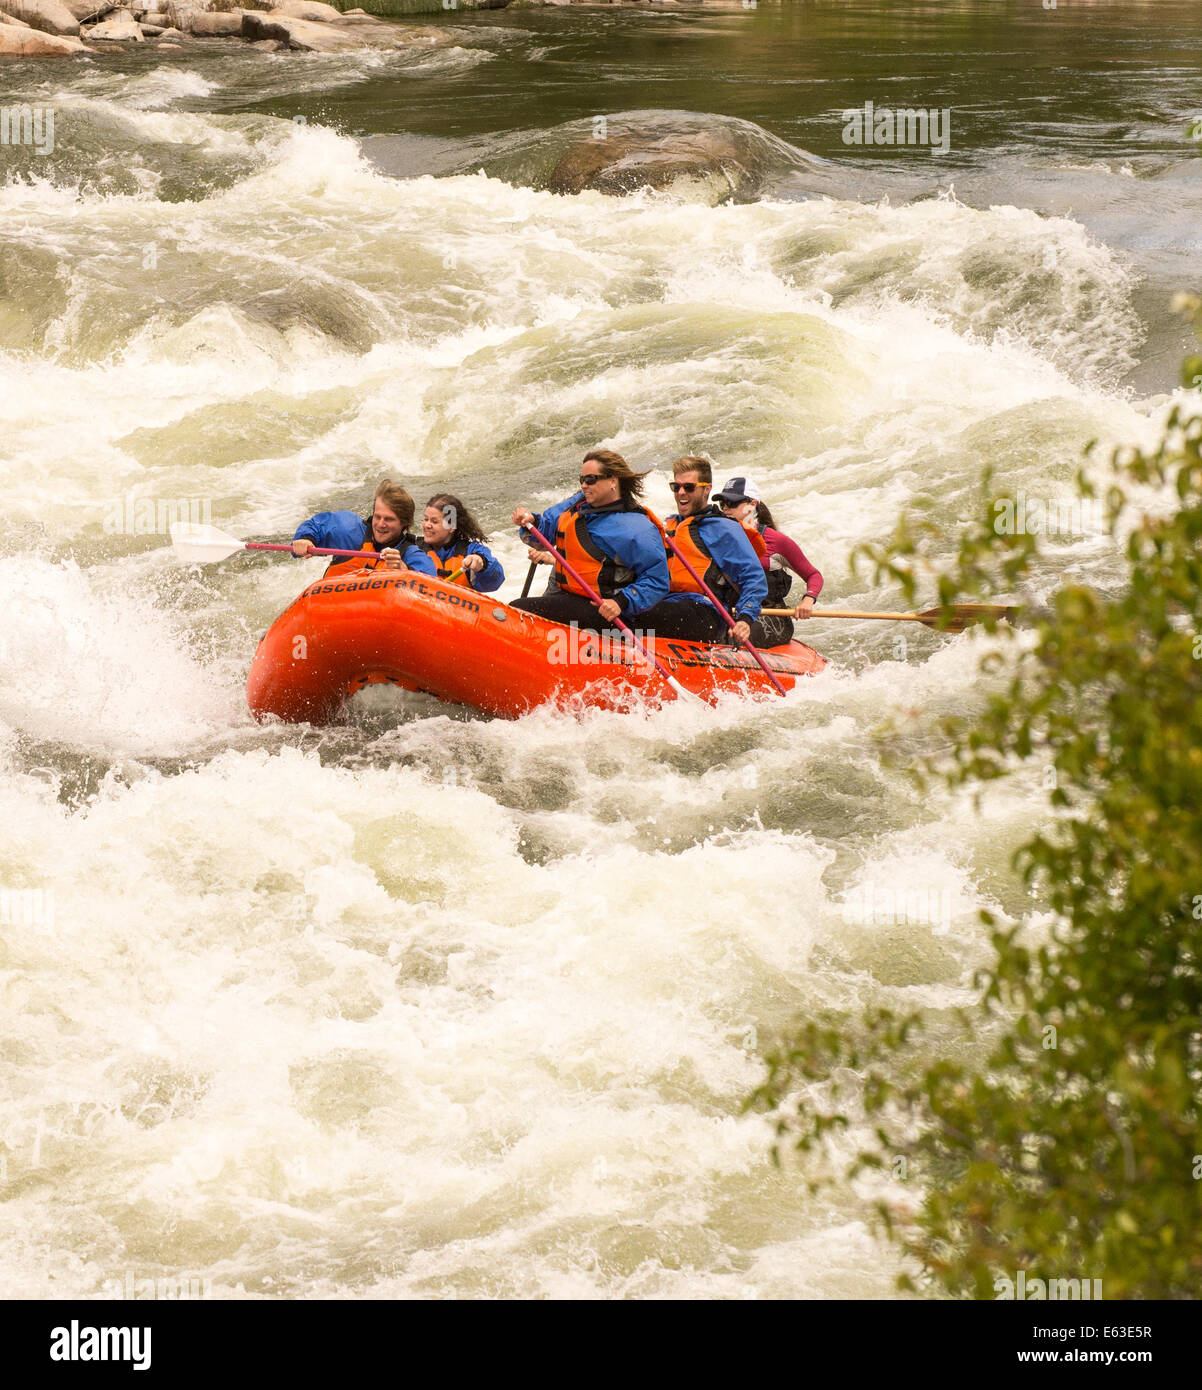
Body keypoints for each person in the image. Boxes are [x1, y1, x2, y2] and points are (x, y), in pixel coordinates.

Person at [510, 449, 669, 631]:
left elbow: (657, 580)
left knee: (520, 608)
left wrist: (622, 601)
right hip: (568, 596)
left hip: (605, 610)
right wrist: (531, 522)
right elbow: (542, 536)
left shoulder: (637, 528)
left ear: (613, 481)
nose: (584, 485)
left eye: (591, 480)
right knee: (518, 610)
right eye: (582, 480)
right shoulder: (576, 504)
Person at [637, 456, 767, 644]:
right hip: (666, 602)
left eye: (689, 487)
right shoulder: (667, 526)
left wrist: (745, 618)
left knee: (647, 614)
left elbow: (753, 577)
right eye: (676, 487)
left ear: (706, 489)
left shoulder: (722, 528)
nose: (681, 493)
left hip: (704, 610)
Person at [713, 475, 823, 647]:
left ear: (752, 505)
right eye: (723, 504)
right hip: (734, 615)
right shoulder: (716, 539)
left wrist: (808, 600)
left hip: (772, 617)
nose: (726, 509)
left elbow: (813, 575)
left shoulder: (777, 541)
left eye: (733, 503)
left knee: (731, 640)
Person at [291, 479, 436, 578]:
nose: (380, 524)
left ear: (404, 523)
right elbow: (316, 526)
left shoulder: (411, 555)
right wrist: (305, 539)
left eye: (389, 519)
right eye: (377, 516)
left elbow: (430, 584)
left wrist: (404, 570)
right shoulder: (350, 531)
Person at [419, 493, 505, 592]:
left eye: (434, 522)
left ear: (451, 527)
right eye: (426, 519)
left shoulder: (472, 551)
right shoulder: (413, 549)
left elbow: (495, 582)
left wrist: (482, 565)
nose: (427, 525)